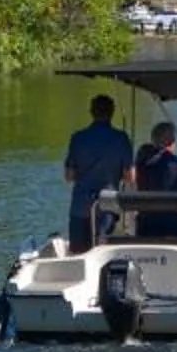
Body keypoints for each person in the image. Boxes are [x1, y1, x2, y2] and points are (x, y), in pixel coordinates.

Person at [60, 93, 135, 253]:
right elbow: (130, 177)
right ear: (112, 113)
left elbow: (69, 176)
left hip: (80, 206)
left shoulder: (78, 138)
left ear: (91, 112)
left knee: (79, 254)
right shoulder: (121, 138)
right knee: (102, 253)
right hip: (107, 205)